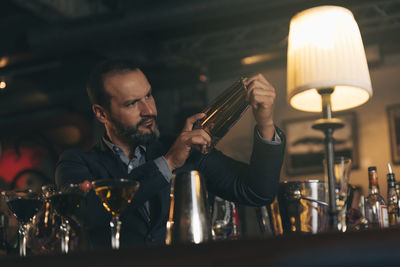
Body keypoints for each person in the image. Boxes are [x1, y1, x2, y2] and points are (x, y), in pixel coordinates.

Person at [55, 59, 285, 248]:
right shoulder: (76, 163)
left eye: (148, 96)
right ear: (101, 114)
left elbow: (257, 193)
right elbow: (88, 215)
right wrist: (168, 162)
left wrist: (265, 122)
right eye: (132, 103)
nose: (148, 110)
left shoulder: (184, 148)